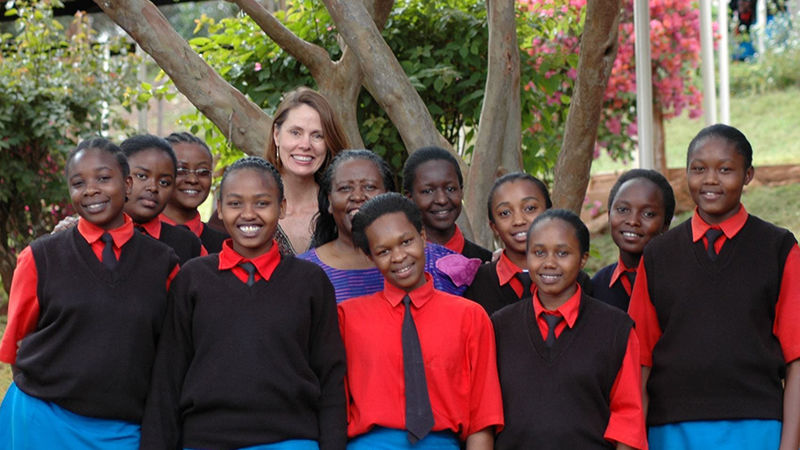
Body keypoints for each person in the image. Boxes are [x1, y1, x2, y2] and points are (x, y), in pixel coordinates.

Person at [140, 157, 346, 450]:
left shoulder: (310, 282)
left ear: (282, 207)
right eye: (235, 204)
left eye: (262, 203)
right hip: (205, 440)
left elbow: (331, 376)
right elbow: (168, 376)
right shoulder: (193, 278)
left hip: (291, 440)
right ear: (220, 209)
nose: (248, 214)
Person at [628, 124, 800, 449]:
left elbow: (796, 358)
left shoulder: (778, 249)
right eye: (698, 169)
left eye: (725, 169)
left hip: (758, 428)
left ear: (748, 175)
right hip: (671, 430)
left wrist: (790, 444)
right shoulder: (658, 255)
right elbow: (641, 360)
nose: (710, 180)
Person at [0, 138, 179, 449]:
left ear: (127, 184)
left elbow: (168, 351)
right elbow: (18, 343)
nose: (90, 189)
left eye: (103, 178)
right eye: (78, 182)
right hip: (42, 419)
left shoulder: (163, 263)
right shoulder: (39, 257)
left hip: (124, 428)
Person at [340, 193, 503, 449]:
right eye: (383, 251)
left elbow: (483, 415)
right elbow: (334, 406)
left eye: (406, 241)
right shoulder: (346, 318)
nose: (399, 257)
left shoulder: (469, 317)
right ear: (370, 257)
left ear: (423, 237)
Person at [492, 209, 646, 450]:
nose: (549, 263)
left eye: (563, 253)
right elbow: (485, 415)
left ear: (583, 259)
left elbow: (628, 419)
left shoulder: (615, 329)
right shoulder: (499, 327)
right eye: (539, 252)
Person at [299, 150, 471, 302]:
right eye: (345, 188)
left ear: (387, 195)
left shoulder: (439, 264)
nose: (358, 196)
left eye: (369, 187)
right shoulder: (303, 271)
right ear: (329, 201)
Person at [465, 173, 595, 315]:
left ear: (549, 213)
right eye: (505, 213)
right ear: (494, 227)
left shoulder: (576, 281)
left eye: (530, 208)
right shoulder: (477, 284)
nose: (519, 220)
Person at [266, 87, 348, 255]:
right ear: (276, 134)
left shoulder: (342, 209)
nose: (305, 145)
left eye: (317, 136)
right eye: (295, 132)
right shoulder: (246, 207)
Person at [591, 169, 675, 311]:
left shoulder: (679, 282)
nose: (633, 221)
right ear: (609, 214)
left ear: (665, 224)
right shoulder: (598, 286)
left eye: (648, 214)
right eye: (623, 210)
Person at [120, 134, 204, 265]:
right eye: (142, 176)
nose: (153, 187)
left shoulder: (187, 243)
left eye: (164, 182)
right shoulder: (88, 236)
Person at [403, 146, 492, 261]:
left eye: (450, 189)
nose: (442, 200)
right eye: (428, 191)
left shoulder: (486, 262)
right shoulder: (401, 264)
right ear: (410, 198)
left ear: (461, 191)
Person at [161, 131, 228, 253]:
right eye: (181, 170)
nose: (192, 180)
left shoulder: (226, 246)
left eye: (203, 172)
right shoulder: (138, 237)